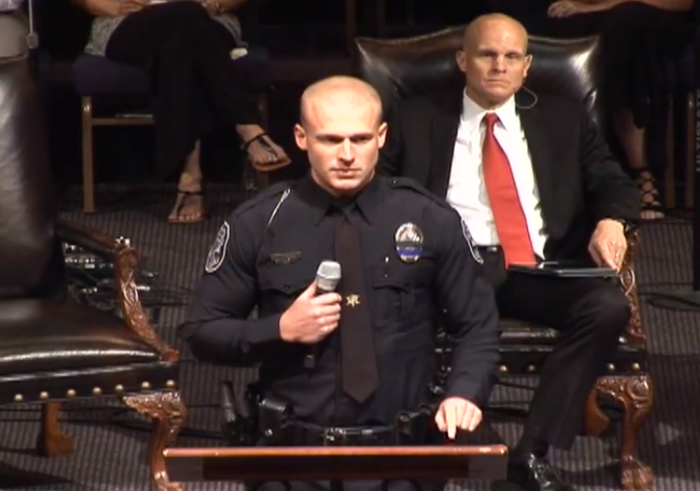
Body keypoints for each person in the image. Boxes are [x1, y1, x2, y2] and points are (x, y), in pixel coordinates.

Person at [180, 75, 500, 491]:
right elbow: (201, 332)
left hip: (404, 458)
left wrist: (464, 392)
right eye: (331, 140)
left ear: (381, 137)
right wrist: (278, 329)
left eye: (360, 139)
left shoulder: (429, 219)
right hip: (290, 459)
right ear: (301, 137)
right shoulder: (259, 222)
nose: (347, 155)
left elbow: (477, 325)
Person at [379, 14, 640, 491]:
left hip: (535, 267)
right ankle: (439, 448)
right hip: (451, 267)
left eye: (511, 56)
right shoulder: (417, 117)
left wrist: (613, 220)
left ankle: (532, 451)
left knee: (607, 306)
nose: (499, 65)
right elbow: (377, 190)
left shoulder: (563, 117)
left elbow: (612, 181)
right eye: (486, 54)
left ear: (527, 66)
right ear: (463, 60)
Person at [74, 0, 291, 223]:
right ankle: (245, 125)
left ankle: (190, 176)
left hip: (210, 21)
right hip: (127, 24)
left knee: (182, 36)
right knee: (186, 15)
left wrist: (216, 4)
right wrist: (109, 6)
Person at [489, 0, 694, 220]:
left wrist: (598, 7)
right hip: (597, 16)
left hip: (654, 20)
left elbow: (682, 3)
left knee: (627, 27)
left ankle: (642, 174)